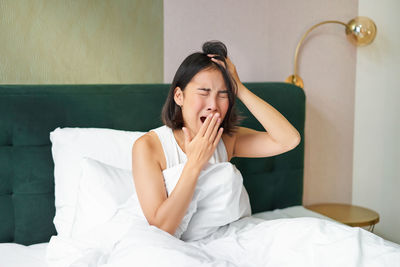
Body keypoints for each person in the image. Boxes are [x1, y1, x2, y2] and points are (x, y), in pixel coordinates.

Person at [131, 40, 300, 237]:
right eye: (204, 92)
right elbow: (161, 228)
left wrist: (241, 89)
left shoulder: (227, 139)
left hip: (222, 239)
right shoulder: (148, 146)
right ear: (179, 96)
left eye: (223, 94)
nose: (213, 104)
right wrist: (194, 163)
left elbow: (289, 140)